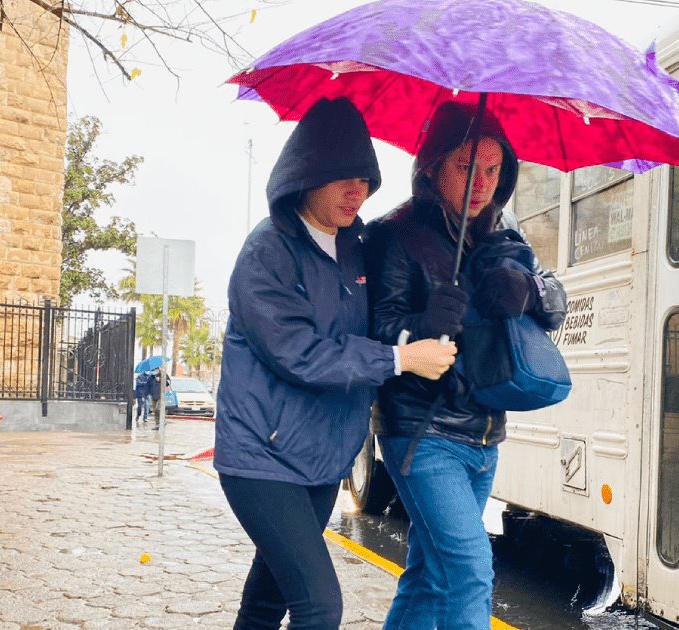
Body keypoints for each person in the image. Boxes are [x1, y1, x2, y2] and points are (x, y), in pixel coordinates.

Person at [213, 96, 459, 630]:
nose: (359, 192)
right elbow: (300, 354)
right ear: (306, 175)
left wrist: (426, 314)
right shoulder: (268, 251)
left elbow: (383, 319)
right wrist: (401, 357)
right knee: (320, 608)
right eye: (344, 178)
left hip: (324, 459)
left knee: (265, 603)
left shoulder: (356, 248)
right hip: (262, 456)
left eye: (367, 179)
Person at [364, 101, 568, 630]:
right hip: (422, 430)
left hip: (485, 435)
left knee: (430, 574)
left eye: (494, 169)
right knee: (469, 570)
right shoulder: (397, 232)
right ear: (433, 165)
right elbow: (376, 332)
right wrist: (424, 320)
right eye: (466, 167)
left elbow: (555, 297)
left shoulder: (505, 230)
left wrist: (531, 289)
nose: (482, 182)